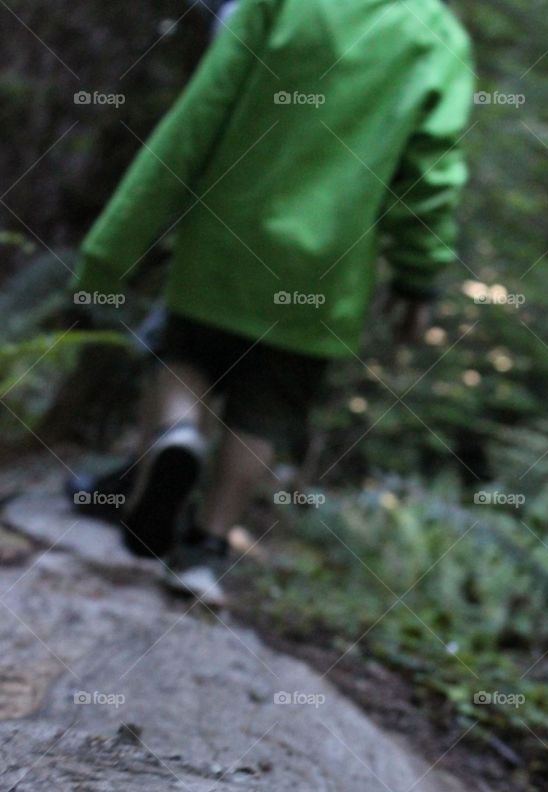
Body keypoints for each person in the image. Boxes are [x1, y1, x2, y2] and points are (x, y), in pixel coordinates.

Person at [72, 0, 474, 606]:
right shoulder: (435, 35)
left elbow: (199, 116)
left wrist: (111, 252)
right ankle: (204, 552)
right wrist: (419, 277)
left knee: (184, 354)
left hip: (224, 237)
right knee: (265, 409)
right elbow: (431, 175)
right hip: (327, 269)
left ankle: (177, 437)